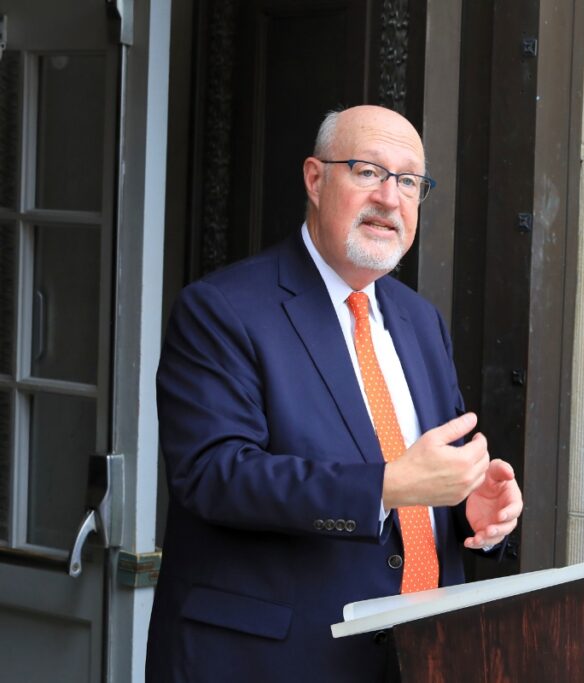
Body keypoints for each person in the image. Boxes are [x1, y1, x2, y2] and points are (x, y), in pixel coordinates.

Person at [146, 105, 523, 682]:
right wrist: (386, 486)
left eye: (409, 182)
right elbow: (214, 475)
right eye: (368, 172)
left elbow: (428, 481)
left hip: (418, 657)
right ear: (315, 179)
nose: (389, 198)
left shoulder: (421, 322)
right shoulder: (221, 309)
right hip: (273, 663)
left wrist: (468, 508)